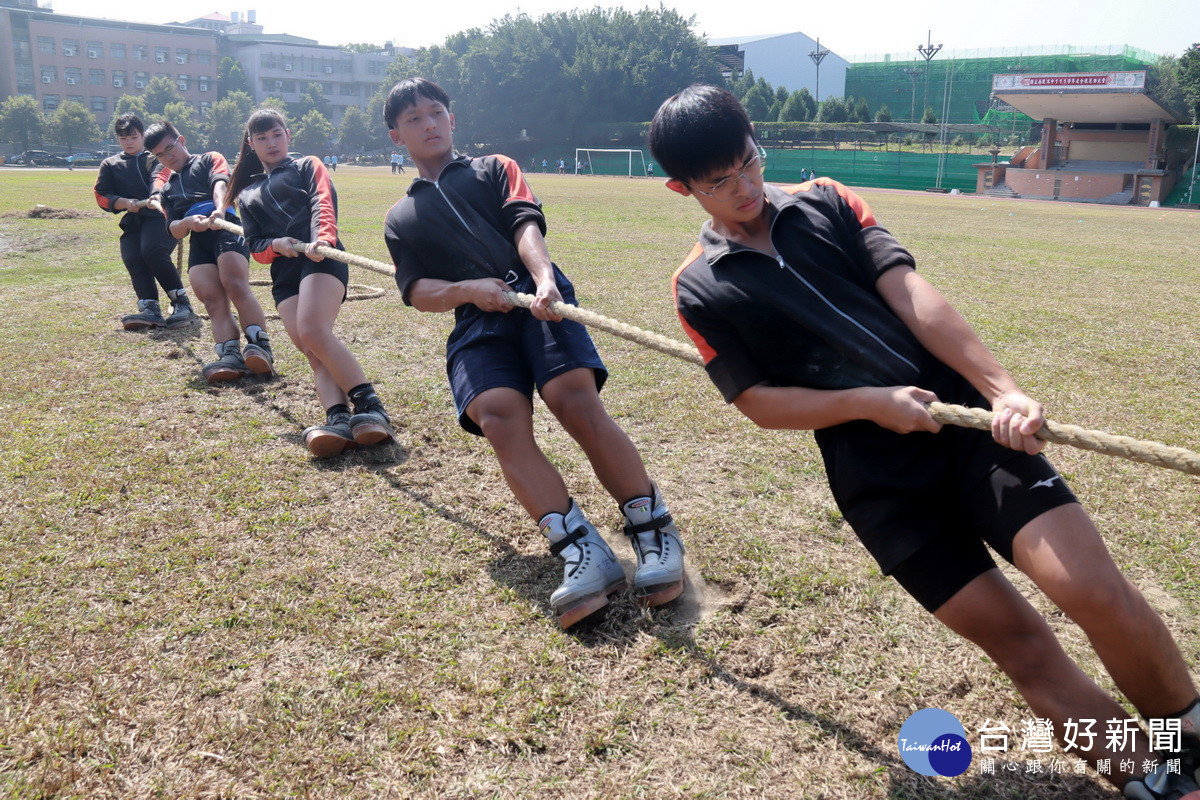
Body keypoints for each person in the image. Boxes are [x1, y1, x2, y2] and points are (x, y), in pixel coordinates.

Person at [648, 84, 1200, 800]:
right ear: (681, 187)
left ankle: (1187, 733)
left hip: (967, 431)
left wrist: (1002, 390)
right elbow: (756, 402)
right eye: (721, 181)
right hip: (882, 489)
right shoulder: (697, 287)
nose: (747, 186)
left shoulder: (826, 200)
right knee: (1022, 644)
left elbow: (911, 293)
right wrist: (869, 404)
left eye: (750, 161)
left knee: (1092, 590)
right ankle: (1152, 776)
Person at [382, 77, 686, 628]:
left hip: (536, 294)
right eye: (413, 119)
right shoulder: (400, 217)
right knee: (497, 418)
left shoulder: (495, 167)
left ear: (453, 118)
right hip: (477, 319)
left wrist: (543, 279)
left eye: (436, 111)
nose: (429, 123)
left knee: (574, 401)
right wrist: (468, 291)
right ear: (396, 135)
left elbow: (526, 226)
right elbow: (416, 291)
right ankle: (582, 551)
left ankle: (653, 529)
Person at [225, 109, 395, 458]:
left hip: (321, 257)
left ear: (289, 135)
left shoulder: (307, 165)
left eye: (276, 134)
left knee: (314, 331)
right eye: (262, 138)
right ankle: (338, 420)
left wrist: (322, 240)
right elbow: (255, 244)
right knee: (312, 351)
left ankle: (371, 406)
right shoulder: (247, 192)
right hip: (284, 274)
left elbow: (322, 201)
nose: (271, 143)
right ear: (251, 144)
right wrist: (277, 246)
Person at [144, 120, 274, 384]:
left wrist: (218, 208)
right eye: (160, 155)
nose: (168, 157)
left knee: (235, 285)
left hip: (225, 226)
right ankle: (229, 353)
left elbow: (220, 185)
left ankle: (259, 345)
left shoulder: (208, 159)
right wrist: (187, 224)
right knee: (210, 296)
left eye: (171, 148)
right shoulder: (167, 189)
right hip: (199, 239)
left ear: (181, 140)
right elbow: (173, 229)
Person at [94, 113, 195, 330]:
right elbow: (101, 194)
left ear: (142, 135)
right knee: (132, 256)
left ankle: (182, 304)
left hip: (161, 215)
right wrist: (123, 202)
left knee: (152, 251)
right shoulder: (110, 164)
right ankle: (150, 308)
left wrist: (154, 196)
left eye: (133, 136)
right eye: (123, 138)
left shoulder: (155, 157)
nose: (129, 142)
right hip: (134, 220)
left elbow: (161, 175)